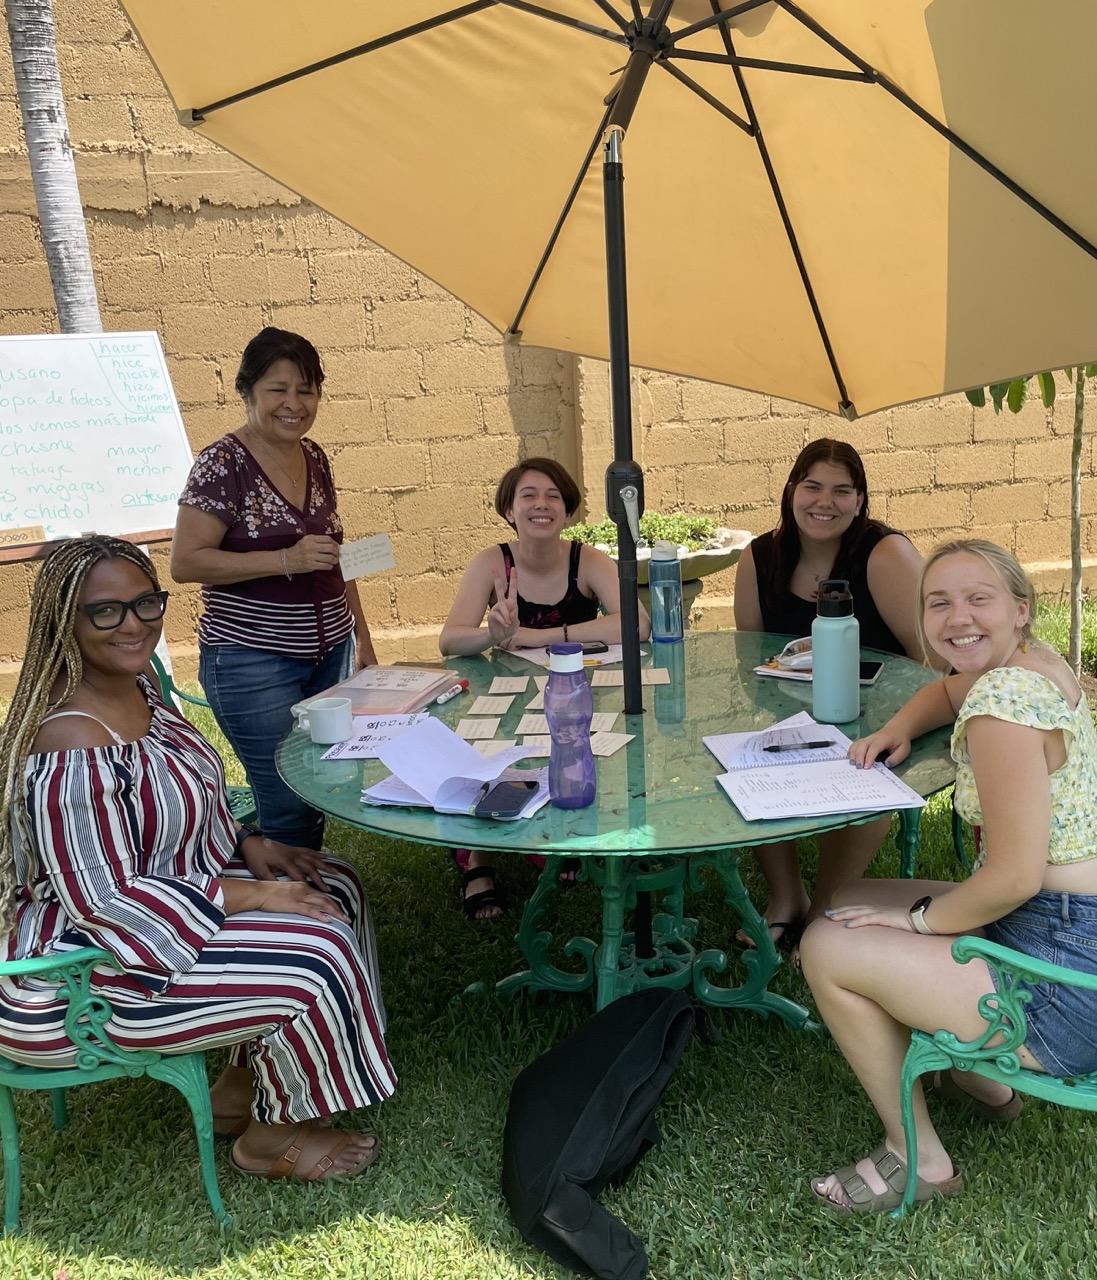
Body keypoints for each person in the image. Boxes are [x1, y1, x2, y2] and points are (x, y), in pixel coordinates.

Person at [0, 536, 396, 1182]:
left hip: (159, 915)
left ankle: (245, 1084)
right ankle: (271, 1137)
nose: (133, 624)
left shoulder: (140, 693)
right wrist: (255, 896)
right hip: (82, 975)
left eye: (145, 603)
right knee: (313, 944)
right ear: (65, 623)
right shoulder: (69, 744)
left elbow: (184, 805)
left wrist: (249, 846)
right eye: (106, 611)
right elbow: (105, 903)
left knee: (332, 884)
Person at [801, 539, 1097, 1213]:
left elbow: (1013, 877)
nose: (956, 616)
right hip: (1064, 929)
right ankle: (987, 1084)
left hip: (1063, 981)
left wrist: (916, 922)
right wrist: (898, 730)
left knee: (826, 945)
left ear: (1019, 609)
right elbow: (944, 689)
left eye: (977, 599)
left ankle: (917, 1160)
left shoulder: (1001, 714)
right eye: (938, 602)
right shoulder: (1032, 663)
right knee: (845, 902)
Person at [172, 327, 376, 851]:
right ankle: (290, 912)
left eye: (306, 390)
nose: (294, 403)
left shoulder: (315, 457)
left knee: (318, 778)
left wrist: (363, 639)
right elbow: (185, 562)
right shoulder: (223, 464)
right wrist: (284, 559)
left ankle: (302, 887)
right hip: (251, 660)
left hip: (329, 653)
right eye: (277, 389)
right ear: (247, 392)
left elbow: (336, 553)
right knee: (285, 795)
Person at [733, 438, 939, 950]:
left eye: (841, 491)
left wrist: (886, 716)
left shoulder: (883, 553)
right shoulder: (759, 557)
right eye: (813, 486)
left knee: (864, 766)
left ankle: (826, 908)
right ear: (791, 490)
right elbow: (747, 659)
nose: (824, 502)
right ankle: (786, 899)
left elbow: (929, 657)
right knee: (746, 757)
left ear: (860, 499)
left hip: (884, 714)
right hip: (788, 712)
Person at [439, 457, 650, 918]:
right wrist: (491, 636)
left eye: (554, 496)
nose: (542, 505)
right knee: (496, 755)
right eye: (528, 496)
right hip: (508, 697)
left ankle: (566, 838)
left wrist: (539, 636)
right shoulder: (492, 563)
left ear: (569, 511)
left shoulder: (586, 559)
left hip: (577, 694)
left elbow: (639, 623)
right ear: (509, 510)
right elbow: (450, 639)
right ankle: (480, 858)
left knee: (580, 751)